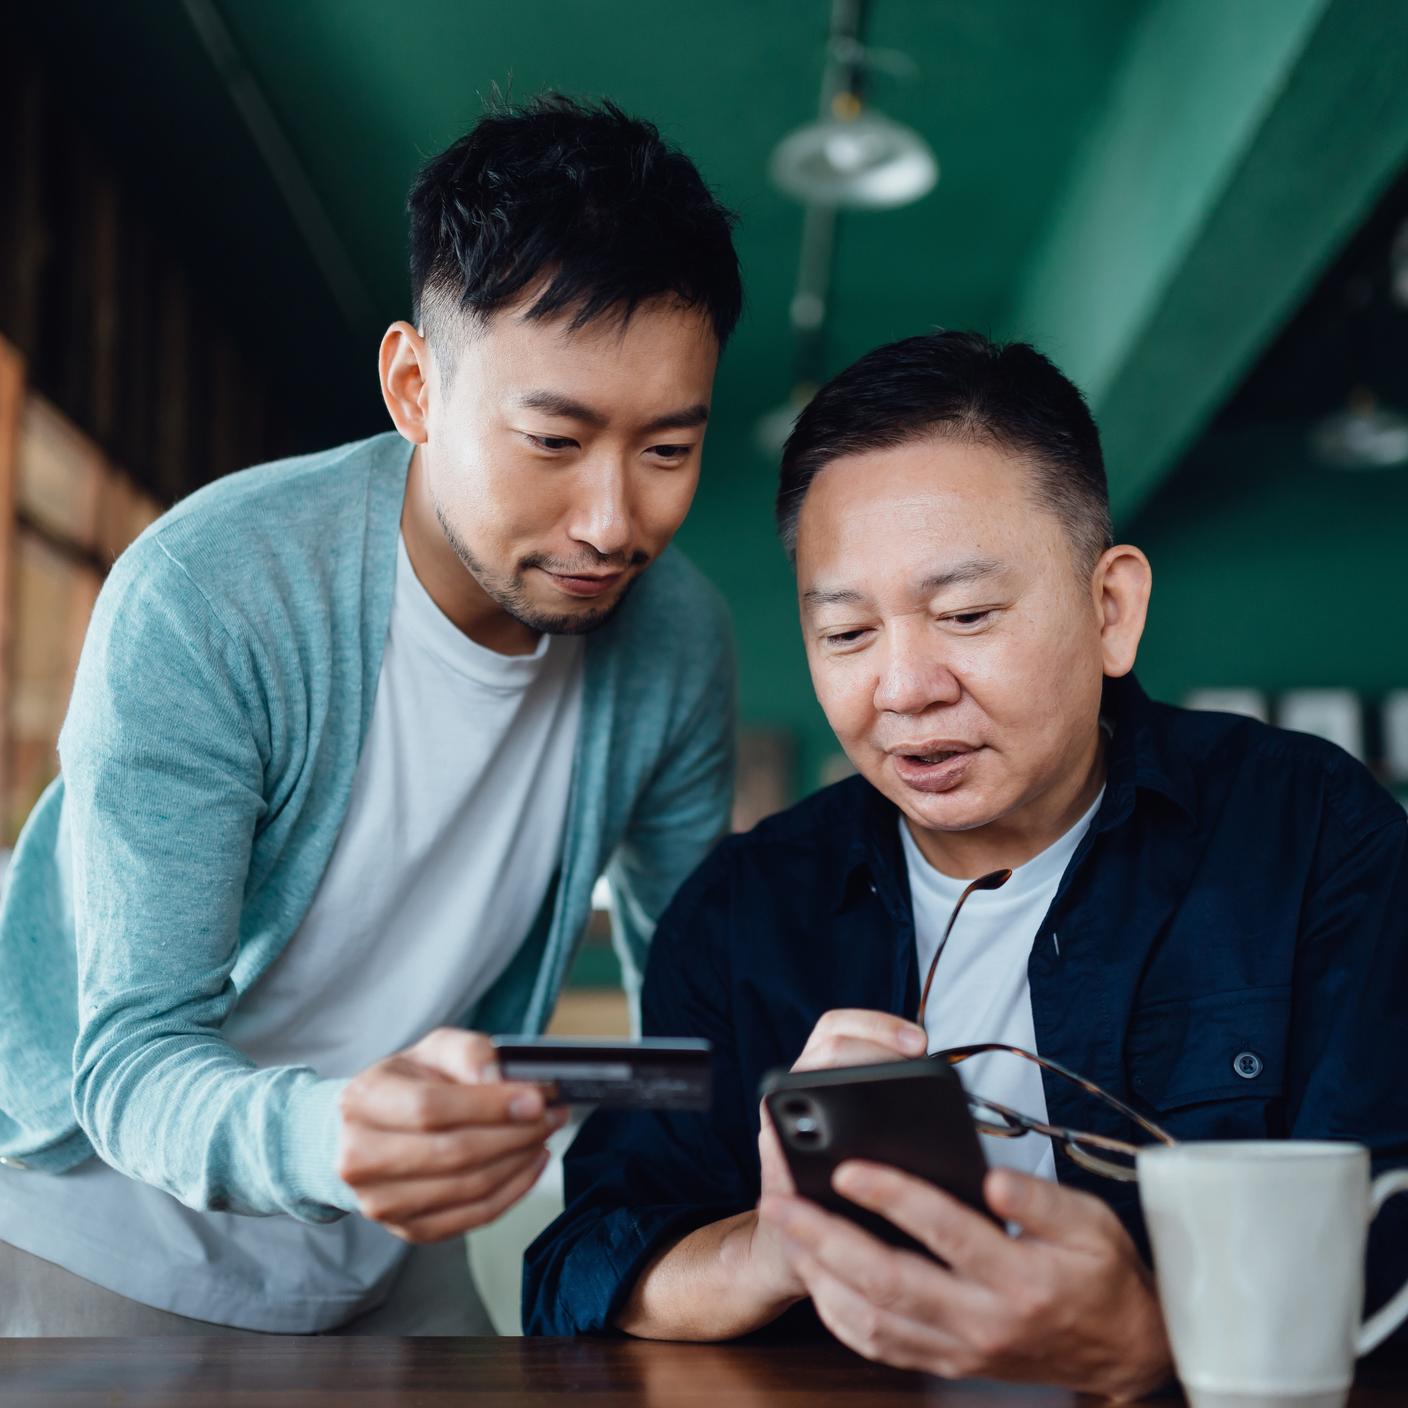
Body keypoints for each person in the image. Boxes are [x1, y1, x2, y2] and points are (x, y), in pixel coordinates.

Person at [523, 330, 1408, 1397]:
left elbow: (1388, 1230)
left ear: (1109, 607)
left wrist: (1152, 1341)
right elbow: (577, 1266)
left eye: (966, 615)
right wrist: (773, 1247)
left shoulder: (1310, 835)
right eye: (846, 634)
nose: (902, 688)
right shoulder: (743, 913)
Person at [0, 95, 742, 1336]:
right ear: (413, 385)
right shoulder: (210, 596)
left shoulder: (675, 643)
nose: (616, 522)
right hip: (87, 1219)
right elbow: (130, 1060)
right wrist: (334, 1135)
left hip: (389, 1242)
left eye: (668, 449)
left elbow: (692, 994)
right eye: (554, 438)